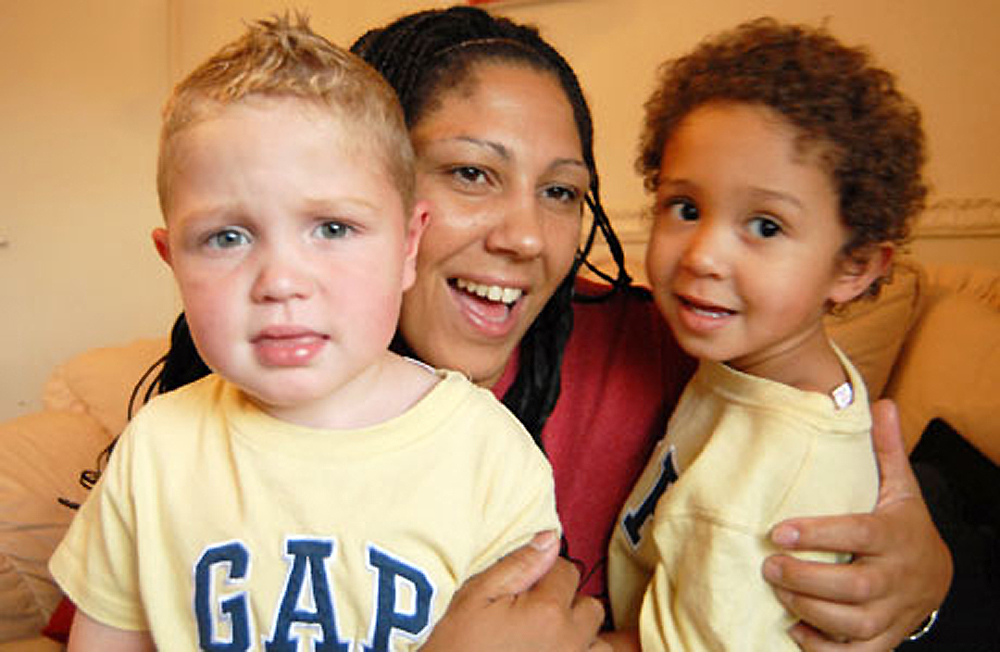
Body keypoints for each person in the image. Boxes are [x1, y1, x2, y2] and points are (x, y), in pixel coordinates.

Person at [57, 6, 950, 651]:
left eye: (560, 191)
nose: (526, 236)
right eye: (473, 173)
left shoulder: (666, 347)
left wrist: (927, 590)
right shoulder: (226, 396)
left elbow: (818, 461)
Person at [48, 15, 560, 650]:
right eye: (226, 237)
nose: (280, 281)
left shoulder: (489, 457)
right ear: (172, 260)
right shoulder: (155, 450)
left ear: (408, 245)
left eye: (333, 229)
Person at [605, 17, 928, 651]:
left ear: (853, 266)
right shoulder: (764, 367)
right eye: (686, 208)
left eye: (766, 226)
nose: (703, 255)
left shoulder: (775, 486)